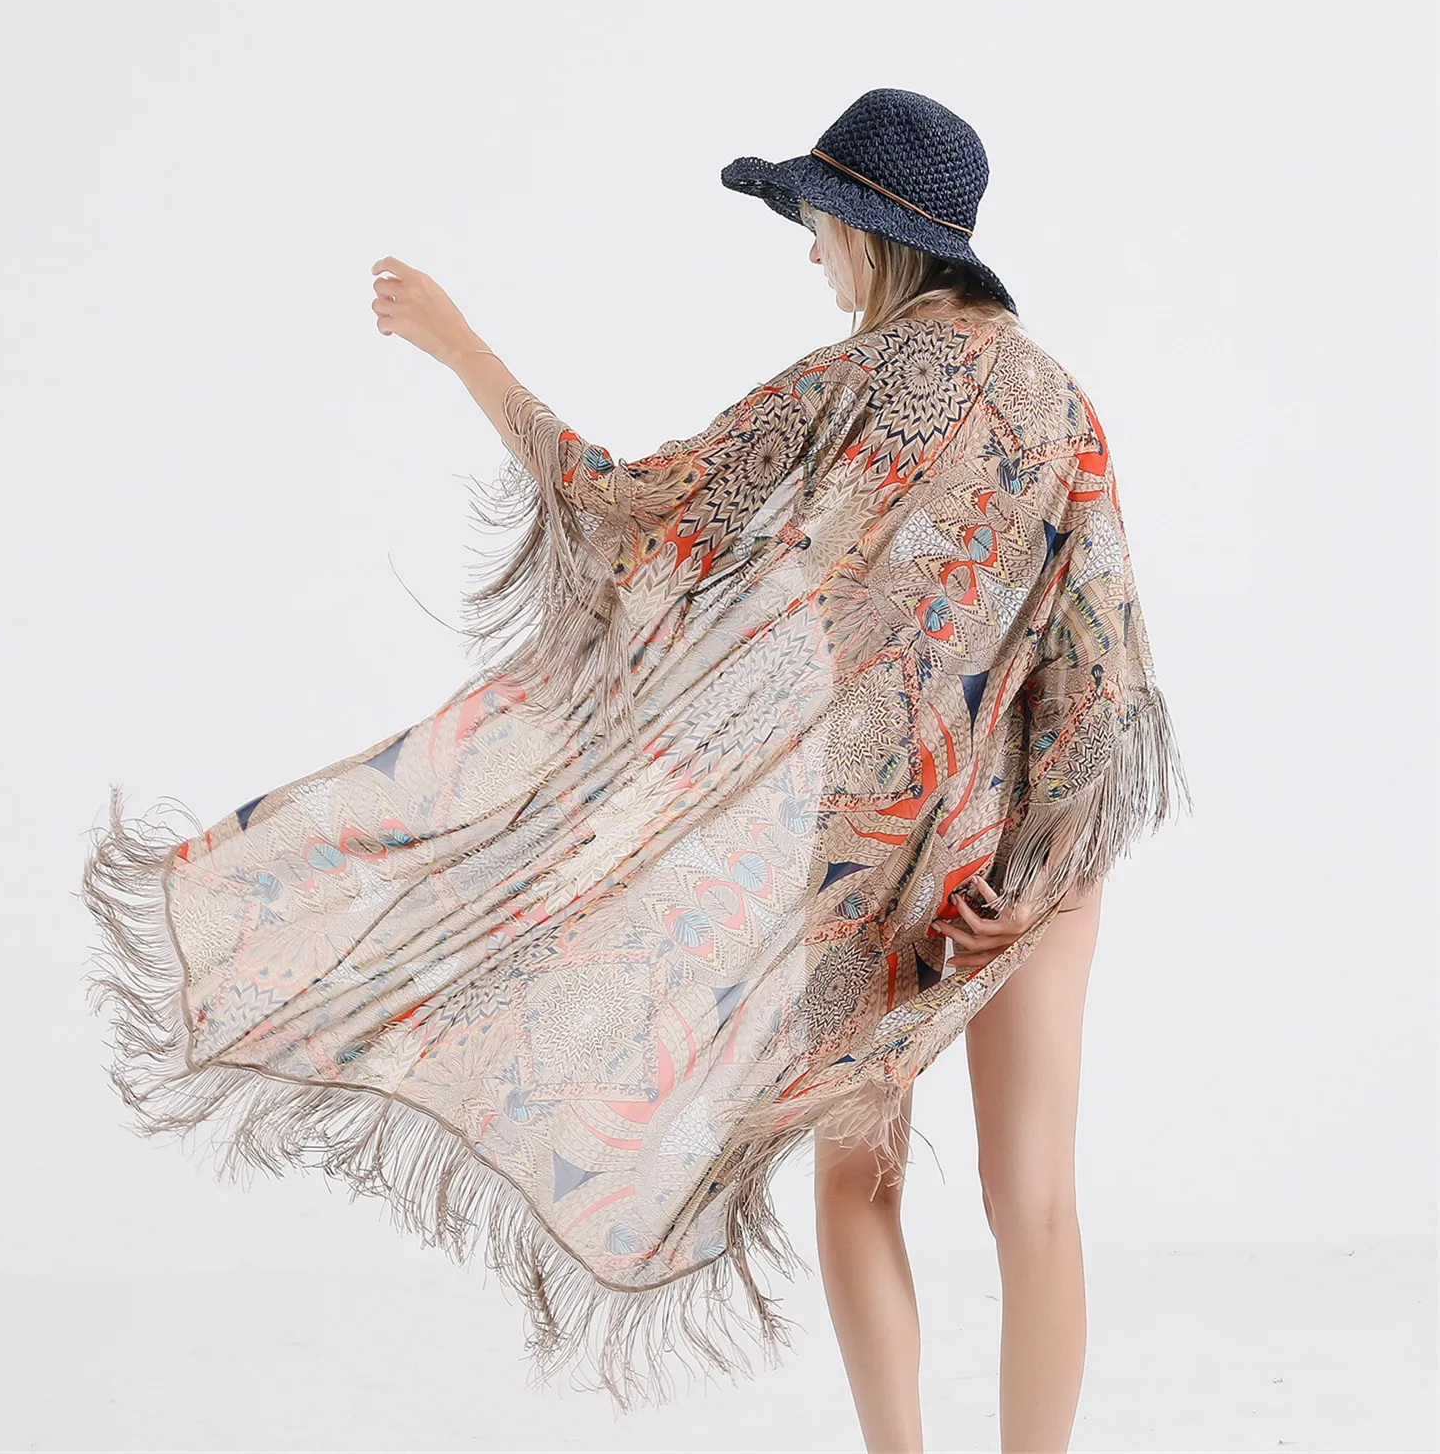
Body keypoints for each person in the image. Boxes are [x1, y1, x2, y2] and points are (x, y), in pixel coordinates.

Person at [83, 89, 1188, 1449]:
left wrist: (461, 346)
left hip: (873, 848)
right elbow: (1104, 674)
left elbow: (629, 505)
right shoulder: (1063, 405)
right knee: (1040, 1207)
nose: (811, 251)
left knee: (860, 1188)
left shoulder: (848, 385)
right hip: (1030, 860)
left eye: (816, 222)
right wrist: (1039, 875)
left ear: (868, 229)